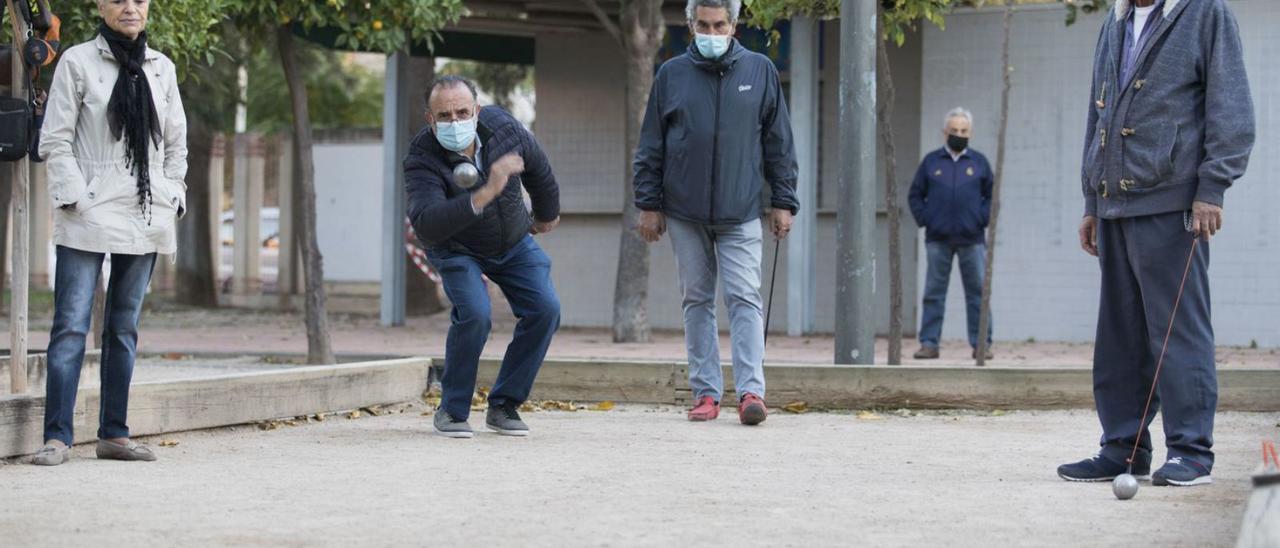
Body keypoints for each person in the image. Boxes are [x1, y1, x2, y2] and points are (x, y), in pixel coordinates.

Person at [1057, 0, 1254, 487]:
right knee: (1120, 336)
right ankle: (1123, 448)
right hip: (1114, 204)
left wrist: (1212, 188)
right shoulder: (1115, 19)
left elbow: (1230, 104)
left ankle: (1191, 452)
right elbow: (1097, 112)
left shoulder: (1206, 13)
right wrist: (1091, 198)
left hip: (1172, 204)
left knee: (1177, 333)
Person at [33, 0, 188, 466]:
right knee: (71, 327)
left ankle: (114, 435)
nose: (129, 7)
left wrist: (172, 192)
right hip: (89, 212)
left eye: (138, 0)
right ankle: (57, 437)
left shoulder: (161, 67)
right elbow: (55, 140)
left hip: (145, 212)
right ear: (100, 6)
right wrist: (76, 197)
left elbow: (176, 142)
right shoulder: (78, 61)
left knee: (123, 328)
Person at [633, 0, 799, 425]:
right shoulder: (671, 74)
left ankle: (750, 393)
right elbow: (651, 145)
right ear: (690, 25)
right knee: (697, 301)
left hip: (741, 211)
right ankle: (705, 393)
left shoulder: (760, 71)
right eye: (703, 25)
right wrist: (648, 204)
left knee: (745, 298)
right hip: (685, 213)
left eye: (719, 24)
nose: (711, 33)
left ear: (733, 24)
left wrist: (784, 200)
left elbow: (779, 143)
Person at [404, 76, 561, 439]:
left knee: (545, 309)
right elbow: (427, 222)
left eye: (462, 112)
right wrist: (486, 191)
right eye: (445, 115)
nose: (455, 121)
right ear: (430, 119)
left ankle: (504, 405)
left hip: (512, 241)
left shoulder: (503, 127)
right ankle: (452, 410)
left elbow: (537, 166)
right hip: (456, 249)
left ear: (477, 110)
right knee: (475, 314)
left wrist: (546, 214)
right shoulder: (421, 157)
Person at [908, 108, 994, 361]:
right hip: (938, 239)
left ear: (971, 133)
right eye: (954, 130)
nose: (959, 134)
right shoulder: (931, 162)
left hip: (972, 240)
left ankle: (982, 344)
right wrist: (927, 220)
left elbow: (991, 197)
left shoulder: (979, 163)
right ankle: (929, 343)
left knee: (978, 293)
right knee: (934, 293)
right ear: (945, 132)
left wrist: (981, 219)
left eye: (964, 131)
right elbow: (915, 195)